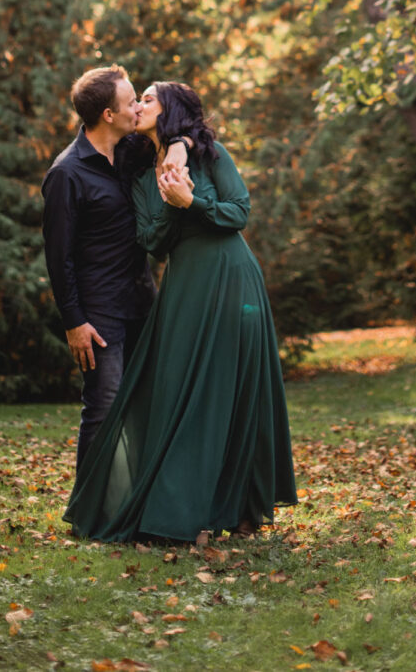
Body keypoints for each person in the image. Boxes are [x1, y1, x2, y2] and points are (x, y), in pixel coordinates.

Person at [65, 81, 297, 544]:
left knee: (236, 388)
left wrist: (193, 200)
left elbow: (239, 212)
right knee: (179, 390)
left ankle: (244, 509)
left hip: (232, 276)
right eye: (137, 99)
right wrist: (174, 206)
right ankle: (178, 511)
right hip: (184, 286)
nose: (139, 105)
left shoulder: (210, 154)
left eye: (148, 98)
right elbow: (152, 241)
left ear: (170, 109)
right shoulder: (139, 176)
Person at [41, 66, 156, 473]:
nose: (138, 108)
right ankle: (88, 506)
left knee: (145, 406)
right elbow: (59, 256)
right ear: (109, 114)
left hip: (142, 302)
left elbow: (181, 133)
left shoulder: (129, 152)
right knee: (104, 408)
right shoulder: (66, 173)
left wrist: (180, 146)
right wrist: (74, 322)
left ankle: (137, 501)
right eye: (131, 102)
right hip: (99, 314)